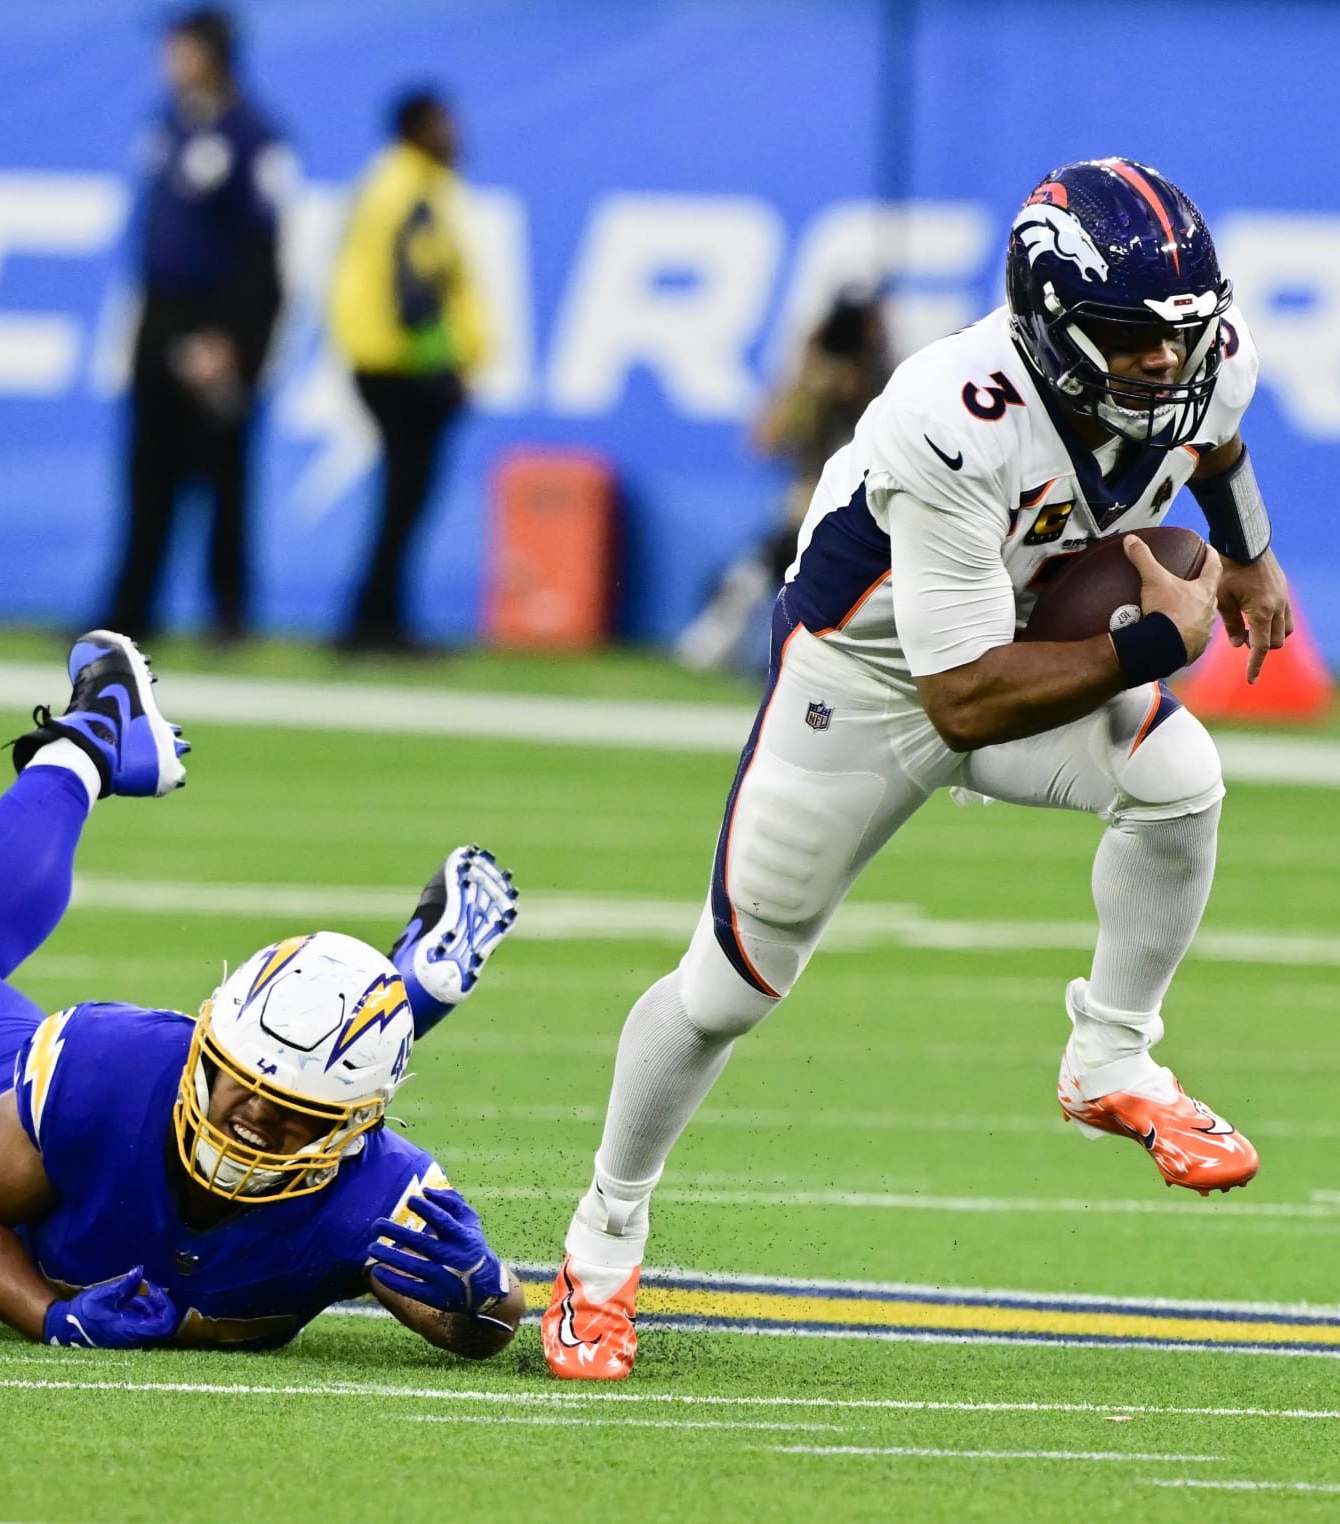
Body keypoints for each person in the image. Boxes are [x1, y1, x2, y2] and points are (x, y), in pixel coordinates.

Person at [539, 159, 1295, 1381]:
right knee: (727, 989)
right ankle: (602, 1239)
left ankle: (1111, 1056)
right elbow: (962, 701)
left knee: (1180, 778)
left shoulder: (1203, 360)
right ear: (1051, 324)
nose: (1165, 362)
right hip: (864, 685)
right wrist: (1158, 642)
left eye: (1182, 332)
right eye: (1129, 337)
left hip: (1016, 637)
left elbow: (1216, 441)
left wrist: (1249, 553)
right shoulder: (954, 415)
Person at [0, 630, 524, 1352]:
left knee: (316, 1070)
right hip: (3, 1117)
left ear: (355, 1129)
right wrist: (51, 1318)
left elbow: (477, 1328)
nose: (255, 1118)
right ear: (204, 1048)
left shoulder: (373, 1192)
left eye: (297, 1114)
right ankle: (93, 739)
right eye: (242, 1083)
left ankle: (384, 1000)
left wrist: (483, 1291)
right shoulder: (112, 1071)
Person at [104, 8, 290, 644]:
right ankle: (129, 611)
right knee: (147, 472)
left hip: (218, 322)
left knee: (222, 474)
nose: (168, 60)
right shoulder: (169, 124)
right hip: (160, 316)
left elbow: (263, 250)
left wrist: (231, 338)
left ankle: (229, 614)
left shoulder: (251, 135)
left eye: (180, 49)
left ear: (211, 54)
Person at [330, 89, 487, 653]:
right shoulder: (412, 190)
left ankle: (375, 617)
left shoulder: (388, 182)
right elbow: (415, 290)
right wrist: (441, 367)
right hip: (401, 363)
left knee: (401, 497)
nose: (456, 135)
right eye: (444, 124)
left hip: (383, 357)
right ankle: (376, 622)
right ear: (419, 129)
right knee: (406, 498)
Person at [676, 287, 892, 674]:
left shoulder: (890, 383)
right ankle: (726, 640)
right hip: (810, 508)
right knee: (765, 563)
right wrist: (807, 377)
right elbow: (765, 441)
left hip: (873, 511)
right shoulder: (813, 382)